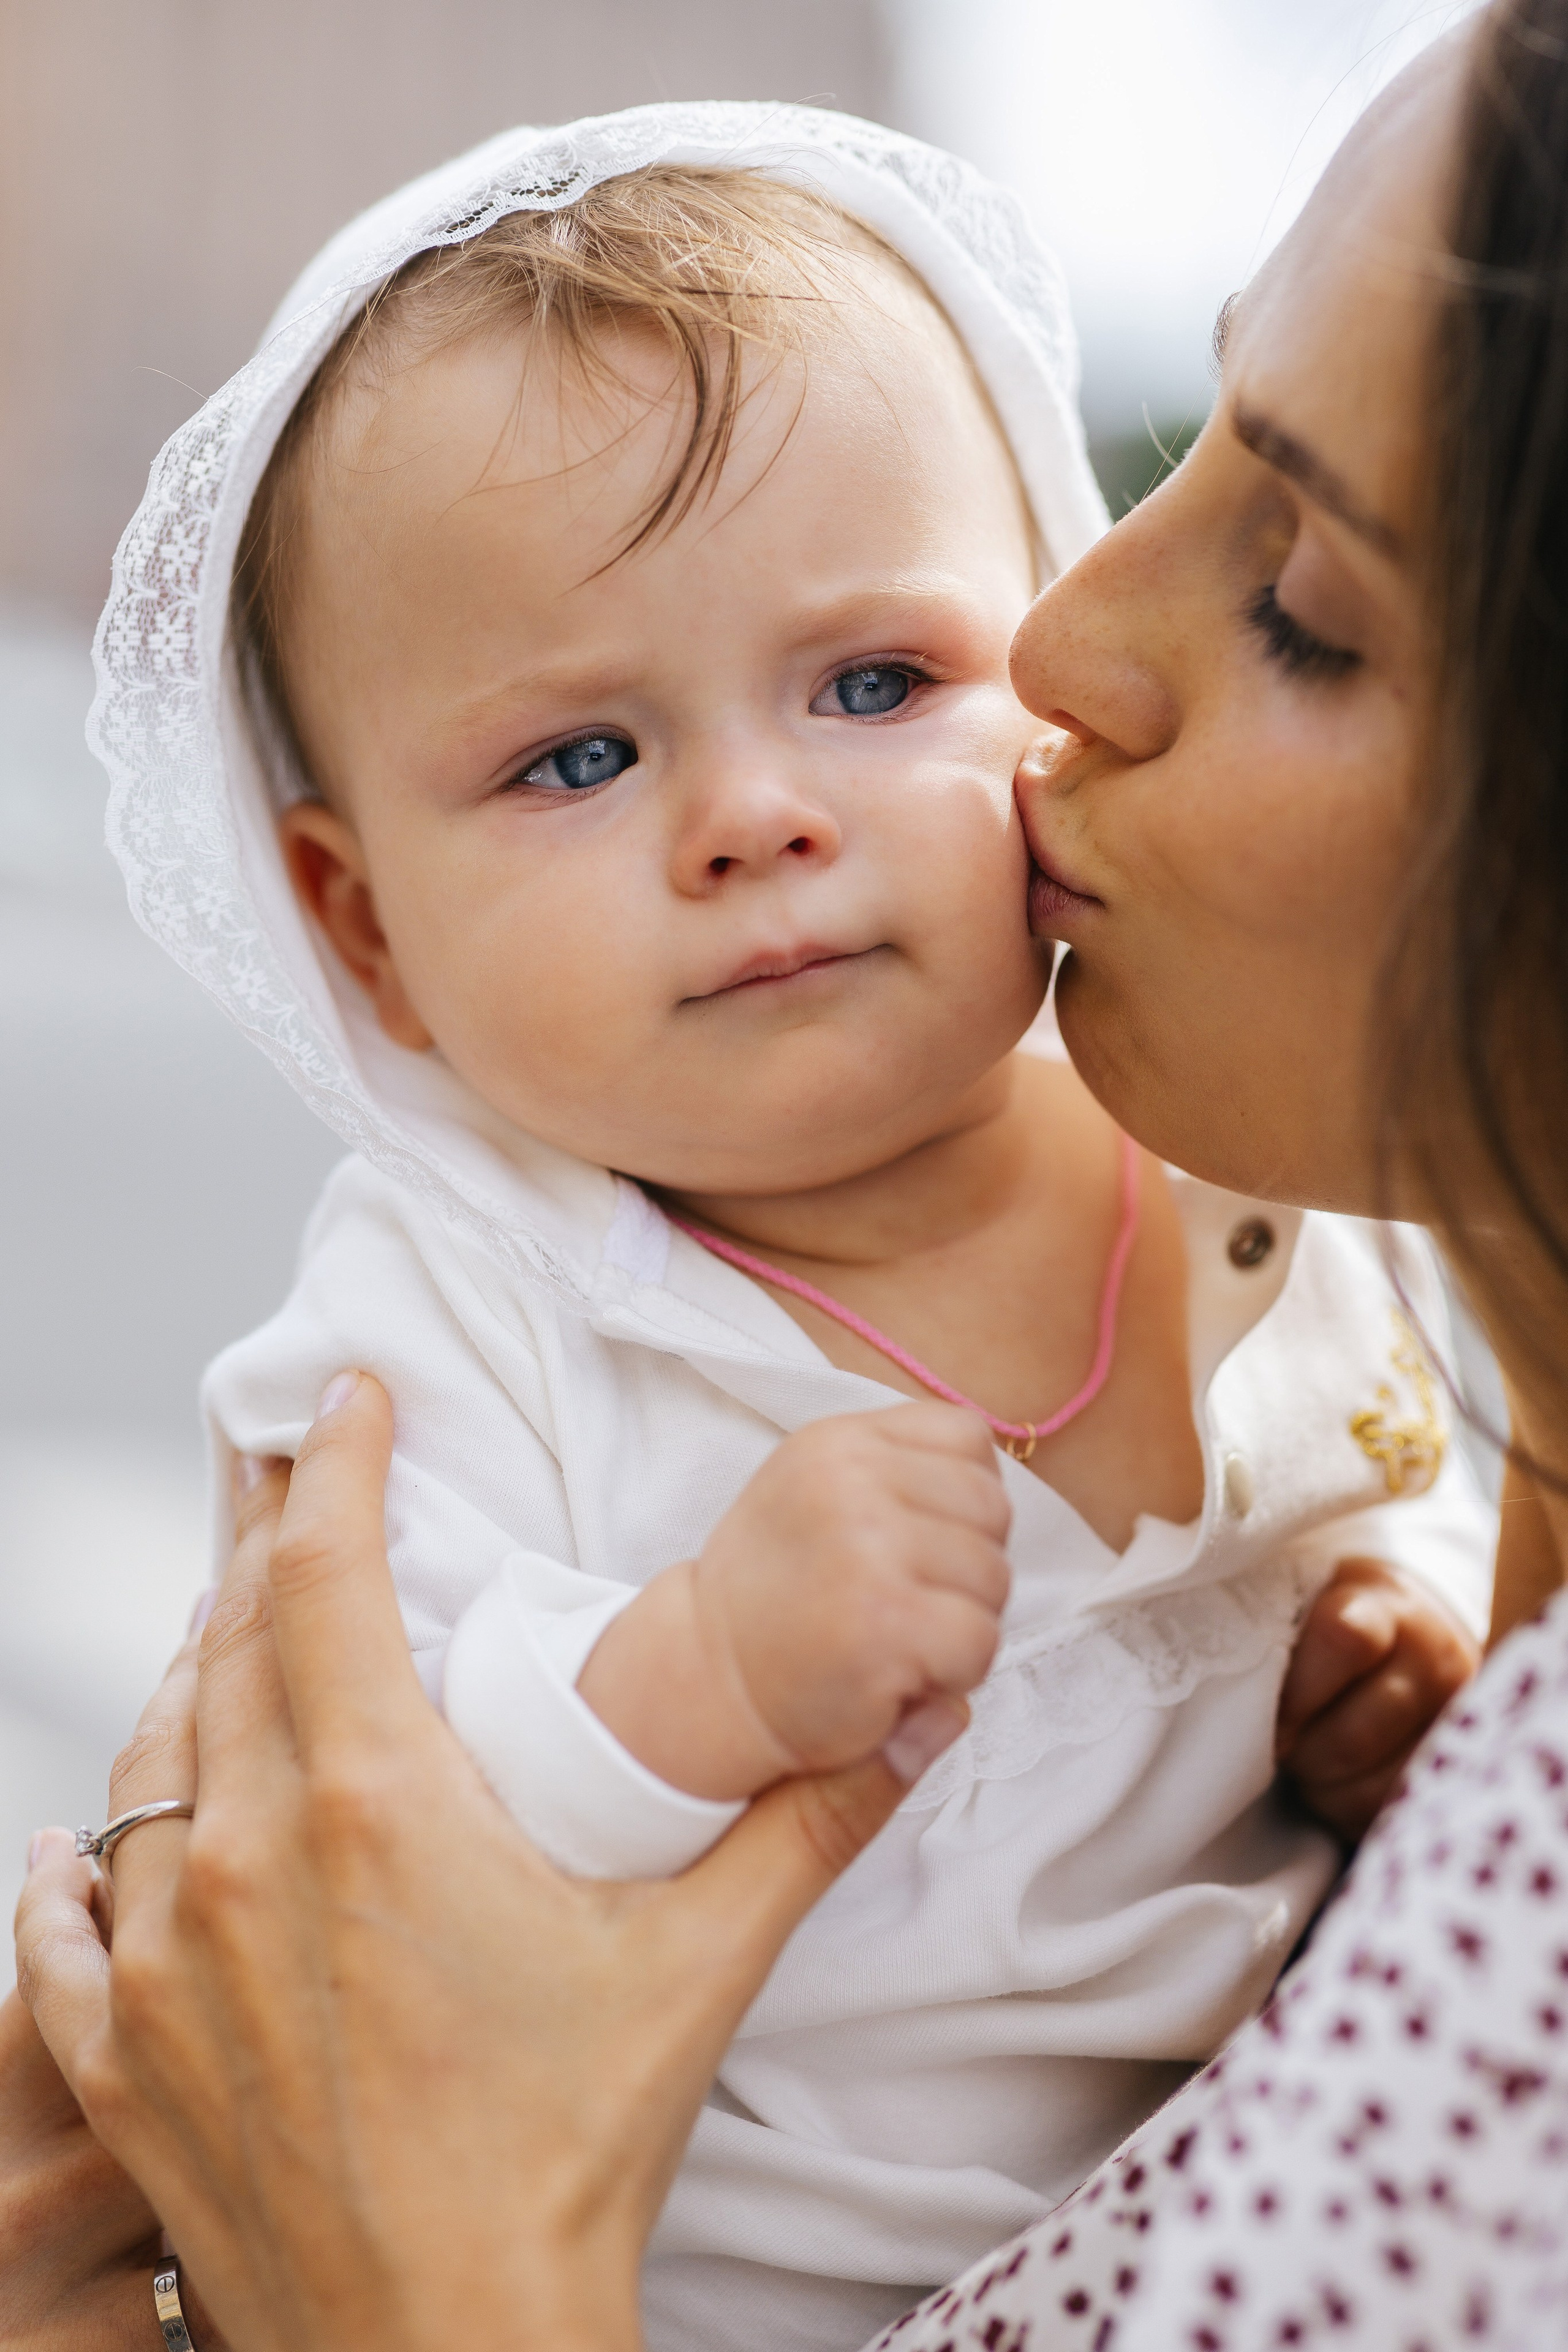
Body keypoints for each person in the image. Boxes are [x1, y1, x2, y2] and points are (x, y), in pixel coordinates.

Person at [10, 0, 1568, 2343]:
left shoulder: (1249, 1203)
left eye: (871, 685)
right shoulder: (473, 1303)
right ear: (364, 930)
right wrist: (691, 1672)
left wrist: (1410, 1647)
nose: (758, 816)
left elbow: (1384, 1502)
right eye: (580, 756)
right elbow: (341, 1864)